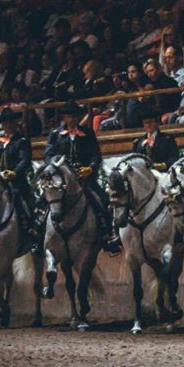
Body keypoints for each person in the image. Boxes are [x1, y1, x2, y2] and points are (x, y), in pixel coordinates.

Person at [44, 101, 121, 253]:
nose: (71, 120)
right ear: (64, 118)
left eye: (73, 116)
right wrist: (56, 165)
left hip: (84, 180)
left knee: (102, 201)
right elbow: (48, 155)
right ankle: (38, 236)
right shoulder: (55, 135)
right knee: (42, 203)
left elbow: (96, 156)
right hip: (61, 180)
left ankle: (108, 235)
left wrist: (90, 168)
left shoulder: (88, 133)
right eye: (68, 117)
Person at [0, 108, 41, 254]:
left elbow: (24, 160)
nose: (8, 124)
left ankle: (31, 231)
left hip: (15, 183)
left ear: (15, 122)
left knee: (19, 200)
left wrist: (14, 173)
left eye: (10, 121)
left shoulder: (21, 141)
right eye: (5, 122)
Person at [131, 107, 180, 171]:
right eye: (146, 123)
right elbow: (134, 161)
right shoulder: (138, 142)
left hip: (163, 173)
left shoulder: (167, 139)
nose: (148, 125)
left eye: (150, 122)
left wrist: (160, 166)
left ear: (156, 123)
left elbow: (174, 158)